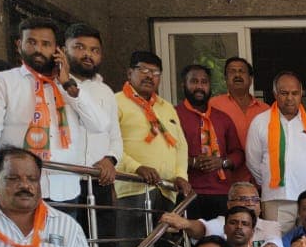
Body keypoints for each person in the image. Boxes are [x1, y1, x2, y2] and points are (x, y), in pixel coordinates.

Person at [0, 17, 110, 204]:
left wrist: (68, 85)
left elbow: (99, 125)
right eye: (31, 42)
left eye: (45, 44)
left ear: (58, 50)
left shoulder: (69, 86)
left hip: (65, 189)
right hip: (18, 190)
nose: (38, 49)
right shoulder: (3, 82)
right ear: (19, 45)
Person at [114, 51, 193, 237]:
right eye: (143, 70)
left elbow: (181, 146)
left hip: (167, 190)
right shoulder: (115, 102)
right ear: (129, 73)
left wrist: (181, 175)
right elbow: (108, 145)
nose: (150, 76)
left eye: (155, 72)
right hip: (133, 188)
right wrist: (136, 167)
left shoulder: (166, 107)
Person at [246, 72, 306, 232]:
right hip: (276, 198)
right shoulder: (260, 122)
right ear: (275, 94)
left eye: (295, 93)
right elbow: (253, 161)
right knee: (277, 244)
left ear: (301, 93)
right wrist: (271, 179)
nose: (290, 98)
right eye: (284, 93)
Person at [62, 23, 122, 214]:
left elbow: (115, 136)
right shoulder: (53, 86)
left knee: (103, 233)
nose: (88, 54)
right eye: (79, 47)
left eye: (94, 50)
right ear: (63, 50)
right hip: (63, 180)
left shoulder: (105, 91)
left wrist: (110, 159)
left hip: (98, 181)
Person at [175, 64, 244, 221]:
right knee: (189, 236)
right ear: (183, 85)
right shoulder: (173, 115)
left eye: (204, 82)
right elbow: (165, 154)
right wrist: (191, 162)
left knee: (220, 235)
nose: (200, 86)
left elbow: (238, 153)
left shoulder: (222, 118)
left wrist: (222, 162)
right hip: (186, 191)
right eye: (194, 81)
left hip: (220, 192)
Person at [160, 182, 284, 247]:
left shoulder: (271, 225)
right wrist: (186, 223)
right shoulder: (224, 222)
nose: (250, 203)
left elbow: (275, 241)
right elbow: (204, 228)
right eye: (243, 199)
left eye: (255, 200)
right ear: (229, 204)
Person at [209, 56, 270, 186]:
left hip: (260, 180)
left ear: (250, 79)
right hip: (225, 179)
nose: (237, 75)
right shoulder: (213, 105)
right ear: (225, 79)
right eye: (232, 71)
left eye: (241, 71)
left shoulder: (266, 110)